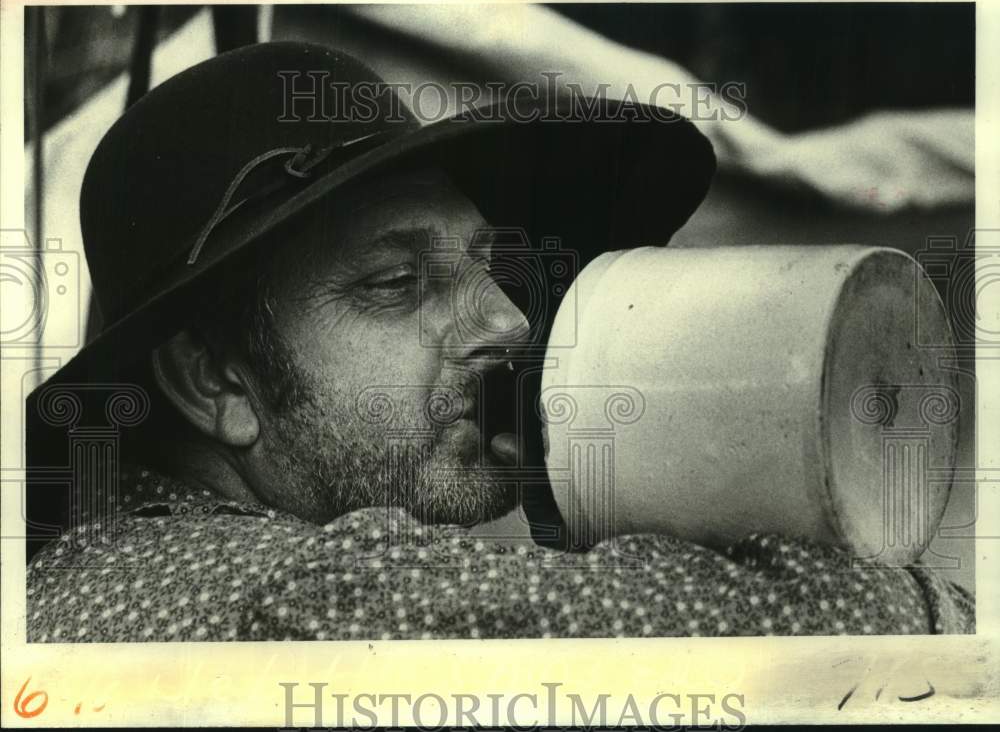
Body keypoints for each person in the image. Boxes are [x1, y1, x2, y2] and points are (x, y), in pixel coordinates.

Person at [26, 42, 973, 642]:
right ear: (214, 381)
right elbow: (861, 629)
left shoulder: (108, 563)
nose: (508, 322)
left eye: (489, 266)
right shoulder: (283, 597)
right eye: (398, 285)